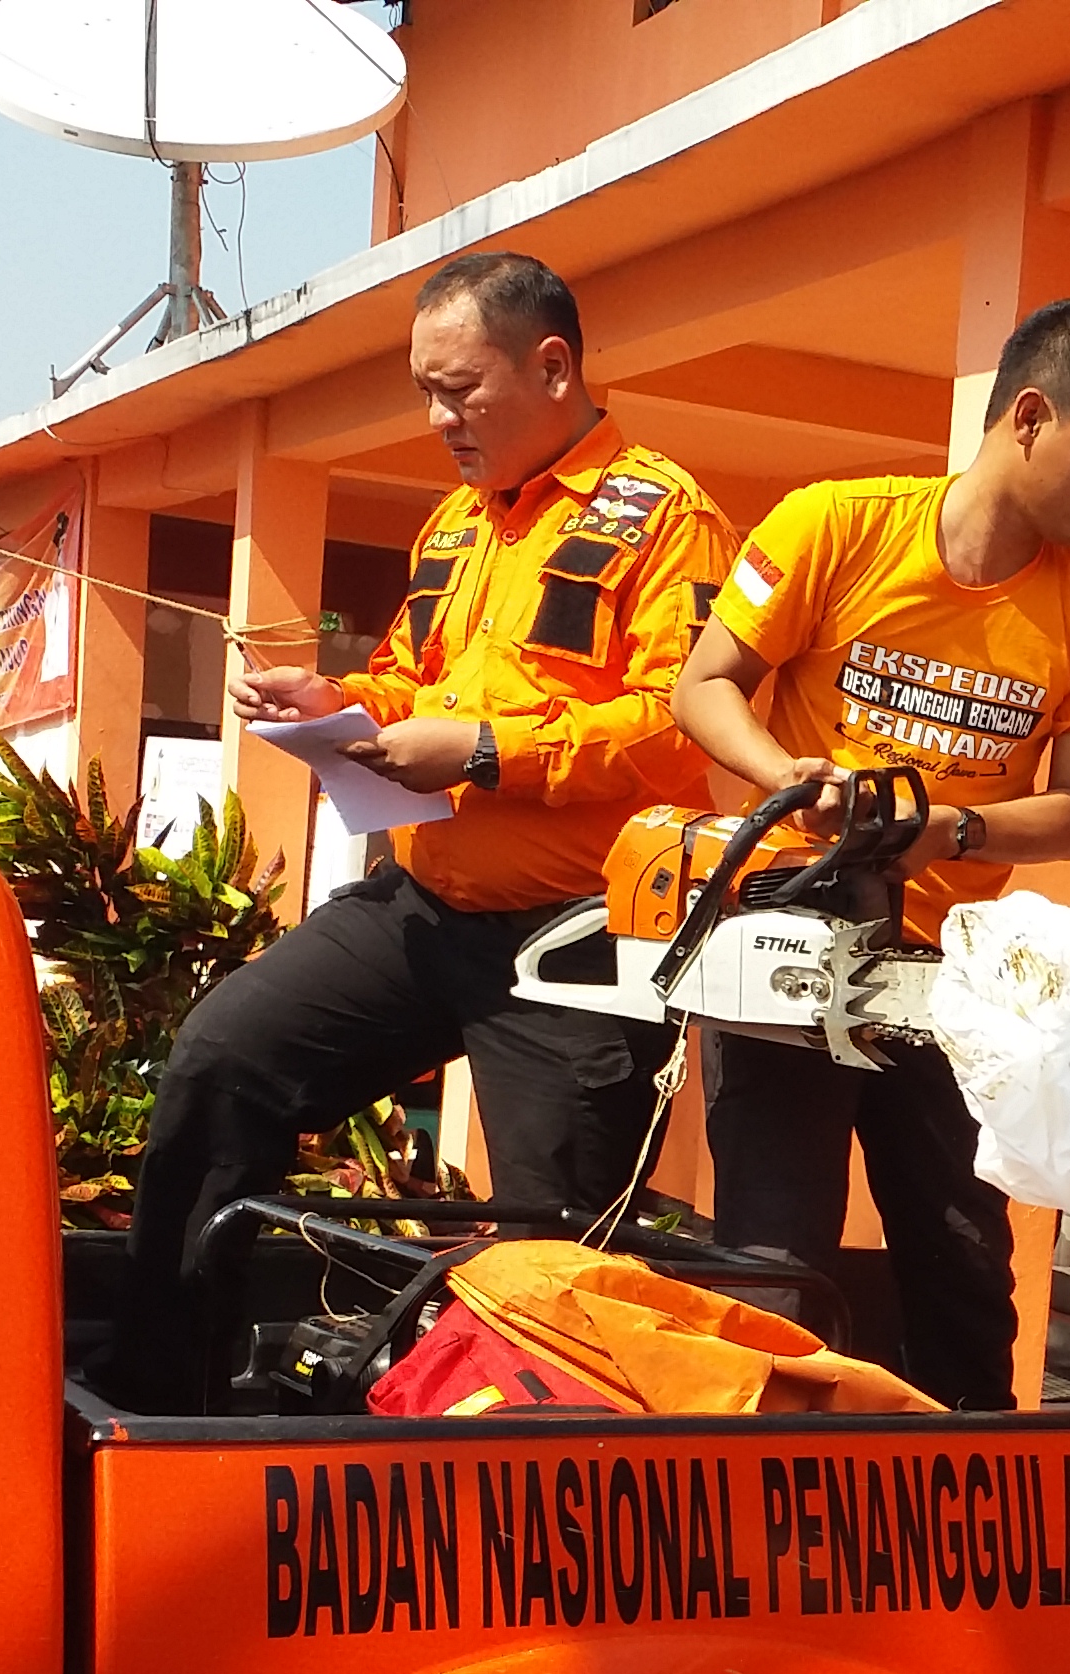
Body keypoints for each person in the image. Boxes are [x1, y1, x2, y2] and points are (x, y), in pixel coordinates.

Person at [110, 251, 736, 1407]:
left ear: (553, 367)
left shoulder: (668, 520)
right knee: (221, 1062)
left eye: (461, 390)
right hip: (424, 906)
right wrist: (337, 702)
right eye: (426, 393)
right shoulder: (455, 524)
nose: (439, 419)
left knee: (556, 1248)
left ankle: (542, 1484)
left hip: (577, 944)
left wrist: (489, 750)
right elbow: (415, 678)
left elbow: (679, 726)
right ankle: (161, 1402)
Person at [665, 298, 1070, 1410]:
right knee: (775, 1270)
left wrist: (948, 829)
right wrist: (789, 777)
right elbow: (702, 686)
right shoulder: (833, 526)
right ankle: (766, 1488)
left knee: (963, 1268)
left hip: (947, 975)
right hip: (786, 949)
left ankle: (974, 1488)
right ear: (1030, 417)